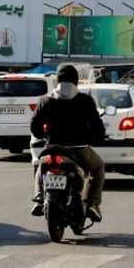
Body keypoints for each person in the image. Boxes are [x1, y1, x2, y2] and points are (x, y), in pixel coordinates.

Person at [29, 64, 106, 221]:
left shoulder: (45, 100)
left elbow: (34, 126)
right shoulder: (85, 100)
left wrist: (43, 135)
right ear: (76, 80)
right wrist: (98, 138)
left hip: (52, 149)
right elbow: (97, 125)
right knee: (98, 168)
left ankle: (38, 199)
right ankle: (93, 204)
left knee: (39, 165)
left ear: (58, 80)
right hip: (79, 149)